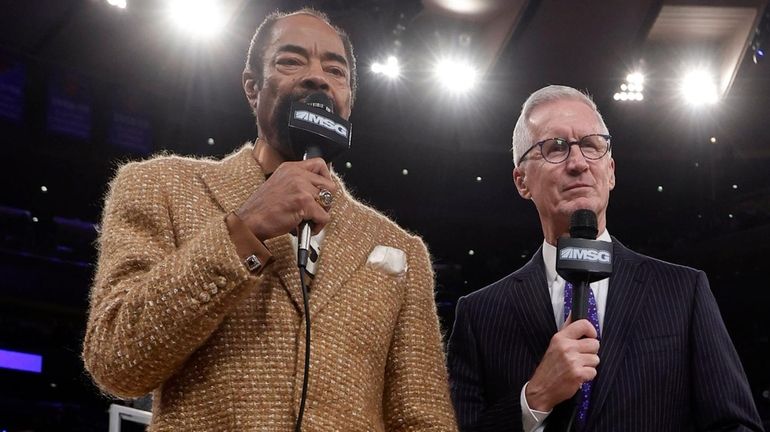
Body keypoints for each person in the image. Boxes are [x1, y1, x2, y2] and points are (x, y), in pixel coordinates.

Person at [82, 8, 457, 431]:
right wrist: (245, 228)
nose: (318, 77)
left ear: (348, 101)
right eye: (291, 60)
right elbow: (115, 361)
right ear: (251, 88)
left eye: (336, 70)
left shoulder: (402, 250)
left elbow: (424, 420)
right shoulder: (159, 186)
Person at [447, 85, 763, 431]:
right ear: (522, 181)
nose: (578, 163)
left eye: (591, 145)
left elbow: (735, 426)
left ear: (610, 171)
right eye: (555, 147)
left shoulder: (683, 292)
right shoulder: (479, 315)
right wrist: (534, 399)